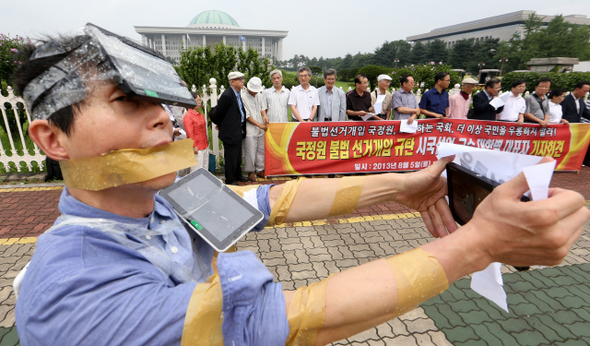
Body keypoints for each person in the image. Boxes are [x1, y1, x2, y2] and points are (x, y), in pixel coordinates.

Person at [15, 30, 590, 346]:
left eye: (161, 103)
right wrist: (474, 247)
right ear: (52, 138)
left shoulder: (163, 200)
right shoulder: (73, 289)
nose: (164, 120)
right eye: (126, 102)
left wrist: (405, 187)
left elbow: (271, 201)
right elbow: (296, 320)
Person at [213, 71, 249, 185]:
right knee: (230, 157)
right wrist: (222, 124)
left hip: (238, 130)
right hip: (230, 132)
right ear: (232, 82)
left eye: (242, 78)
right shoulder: (227, 95)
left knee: (237, 155)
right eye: (239, 79)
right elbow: (218, 113)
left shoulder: (237, 93)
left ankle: (238, 175)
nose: (242, 81)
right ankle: (230, 179)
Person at [242, 77, 267, 181]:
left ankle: (260, 169)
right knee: (250, 152)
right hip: (250, 130)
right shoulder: (243, 97)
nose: (255, 93)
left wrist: (264, 116)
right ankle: (250, 171)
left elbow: (262, 108)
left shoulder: (259, 95)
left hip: (260, 129)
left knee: (261, 150)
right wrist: (259, 125)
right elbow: (247, 116)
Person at [183, 92, 209, 172]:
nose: (199, 102)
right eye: (197, 100)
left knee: (205, 170)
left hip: (205, 145)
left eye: (200, 100)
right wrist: (194, 146)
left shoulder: (199, 114)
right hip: (197, 147)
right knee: (196, 170)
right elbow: (190, 133)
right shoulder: (188, 116)